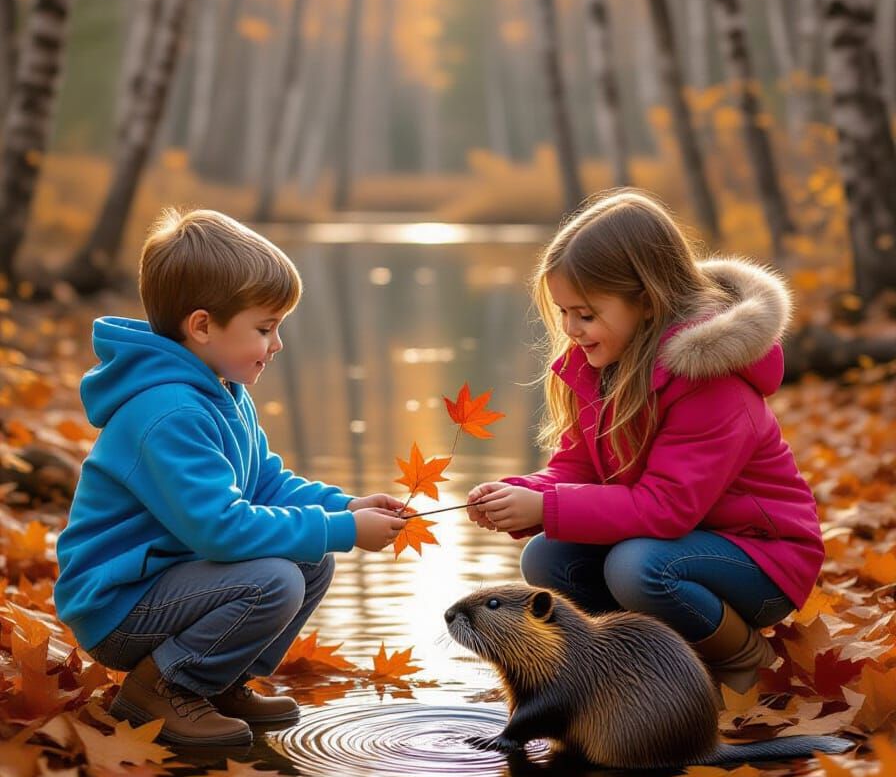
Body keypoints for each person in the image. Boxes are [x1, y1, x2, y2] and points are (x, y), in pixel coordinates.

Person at [55, 208, 407, 745]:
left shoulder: (223, 392)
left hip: (170, 581)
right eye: (264, 329)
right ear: (202, 327)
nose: (277, 344)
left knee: (312, 560)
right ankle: (159, 688)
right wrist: (341, 528)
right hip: (117, 604)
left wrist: (346, 509)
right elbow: (219, 529)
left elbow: (266, 483)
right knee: (276, 579)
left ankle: (216, 682)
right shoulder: (170, 412)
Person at [466, 189, 823, 693]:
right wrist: (520, 493)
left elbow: (667, 508)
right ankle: (636, 669)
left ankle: (746, 661)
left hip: (761, 559)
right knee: (547, 557)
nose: (570, 329)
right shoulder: (603, 366)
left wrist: (546, 507)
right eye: (563, 312)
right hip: (676, 542)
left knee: (637, 568)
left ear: (647, 303)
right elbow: (576, 467)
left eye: (585, 314)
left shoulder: (710, 381)